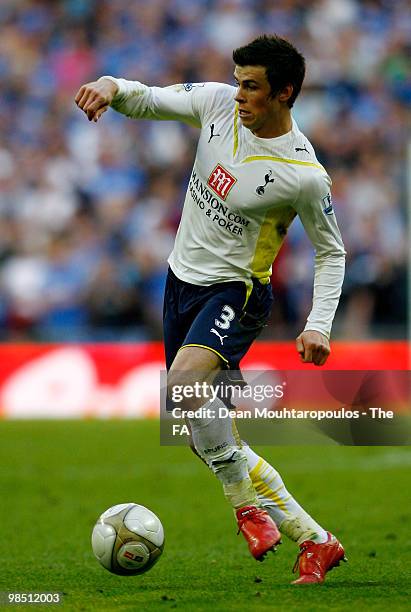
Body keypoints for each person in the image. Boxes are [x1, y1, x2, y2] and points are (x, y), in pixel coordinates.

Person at [75, 34, 347, 585]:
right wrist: (109, 86)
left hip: (237, 291)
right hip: (180, 283)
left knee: (184, 386)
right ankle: (316, 541)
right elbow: (149, 99)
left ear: (284, 93)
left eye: (252, 86)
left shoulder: (304, 174)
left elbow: (331, 251)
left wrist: (318, 323)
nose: (239, 93)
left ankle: (245, 508)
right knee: (205, 435)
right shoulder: (219, 105)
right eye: (238, 80)